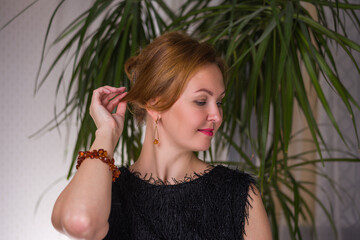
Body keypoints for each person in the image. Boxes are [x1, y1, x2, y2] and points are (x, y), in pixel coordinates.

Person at [51, 31, 272, 240]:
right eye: (201, 101)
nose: (217, 115)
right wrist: (105, 133)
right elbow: (80, 222)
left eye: (219, 102)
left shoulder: (237, 194)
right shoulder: (106, 192)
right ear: (155, 104)